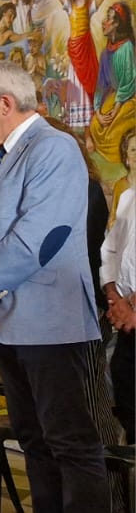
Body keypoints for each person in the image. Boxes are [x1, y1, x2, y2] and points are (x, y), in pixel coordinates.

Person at [0, 60, 108, 513]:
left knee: (70, 444)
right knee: (36, 443)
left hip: (51, 320)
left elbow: (41, 235)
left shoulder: (52, 147)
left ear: (5, 103)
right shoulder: (4, 154)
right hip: (10, 318)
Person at [105, 184, 136, 442]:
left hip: (131, 313)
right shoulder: (129, 196)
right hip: (128, 322)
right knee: (127, 396)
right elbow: (110, 250)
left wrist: (131, 306)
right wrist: (113, 295)